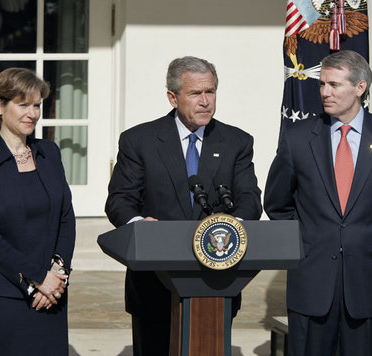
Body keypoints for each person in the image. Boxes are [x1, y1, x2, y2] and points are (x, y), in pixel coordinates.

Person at [105, 56, 262, 355]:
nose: (205, 101)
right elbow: (119, 201)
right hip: (154, 281)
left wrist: (234, 226)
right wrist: (141, 226)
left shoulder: (236, 141)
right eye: (195, 93)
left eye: (210, 92)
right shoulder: (139, 140)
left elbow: (250, 200)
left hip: (217, 280)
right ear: (173, 97)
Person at [264, 50, 372, 355]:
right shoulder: (297, 138)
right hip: (312, 278)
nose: (324, 92)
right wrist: (308, 240)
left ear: (360, 87)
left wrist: (367, 237)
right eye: (322, 84)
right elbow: (277, 202)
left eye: (334, 84)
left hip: (369, 279)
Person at [0, 68, 76, 355]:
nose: (33, 113)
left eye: (37, 105)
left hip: (52, 293)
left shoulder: (50, 153)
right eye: (23, 104)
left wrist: (57, 274)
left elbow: (66, 217)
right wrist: (38, 278)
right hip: (2, 295)